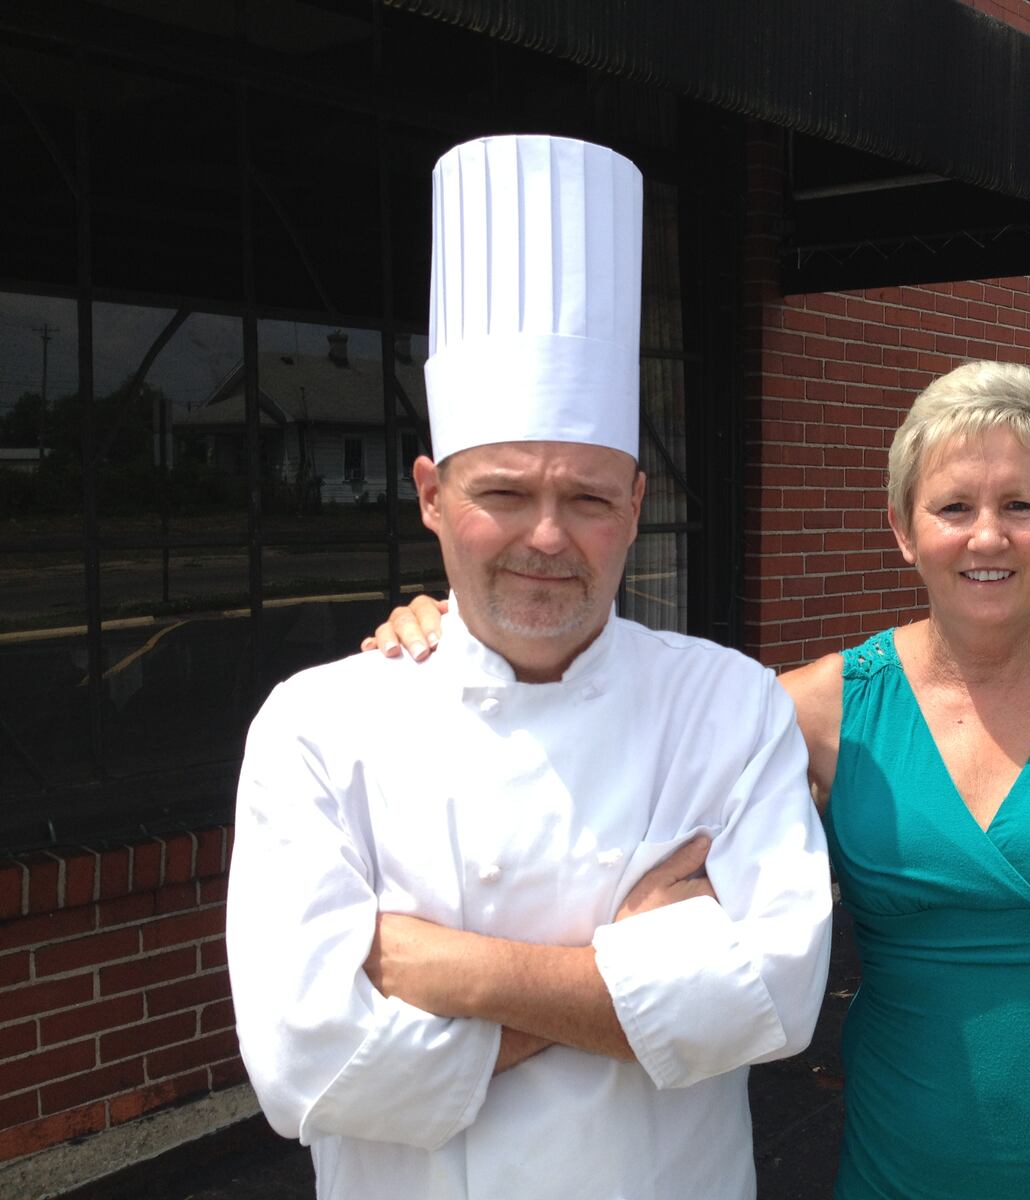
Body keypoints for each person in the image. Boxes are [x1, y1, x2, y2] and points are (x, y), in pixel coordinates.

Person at [369, 361, 1030, 1199]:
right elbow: (602, 737)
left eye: (1021, 505)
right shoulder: (817, 714)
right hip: (902, 1175)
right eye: (953, 506)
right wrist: (470, 632)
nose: (986, 535)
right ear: (903, 529)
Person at [227, 134, 833, 1200]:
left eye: (589, 499)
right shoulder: (315, 725)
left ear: (637, 509)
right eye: (503, 493)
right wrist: (637, 985)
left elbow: (776, 999)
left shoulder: (725, 704)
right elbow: (303, 1069)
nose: (547, 537)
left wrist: (458, 971)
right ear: (428, 495)